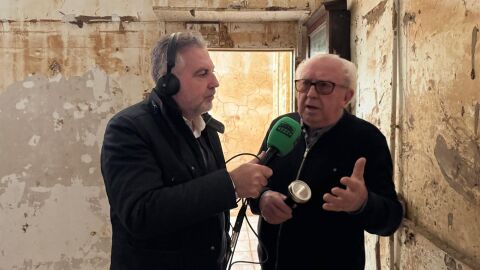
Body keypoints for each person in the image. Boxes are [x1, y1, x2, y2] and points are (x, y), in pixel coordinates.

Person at [100, 31, 272, 270]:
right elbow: (141, 213)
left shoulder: (205, 127)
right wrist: (231, 184)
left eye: (212, 71)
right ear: (167, 82)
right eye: (202, 74)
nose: (215, 82)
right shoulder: (128, 128)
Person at [249, 54, 403, 270]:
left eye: (324, 86)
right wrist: (263, 198)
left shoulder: (368, 139)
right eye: (304, 84)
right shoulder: (283, 126)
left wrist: (363, 203)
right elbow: (257, 182)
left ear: (346, 97)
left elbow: (391, 219)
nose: (311, 94)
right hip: (272, 262)